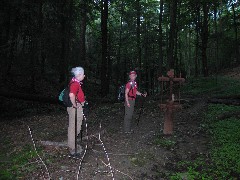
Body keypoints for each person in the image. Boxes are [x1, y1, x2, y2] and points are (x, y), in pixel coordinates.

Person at [67, 67, 85, 155]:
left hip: (76, 107)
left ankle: (72, 144)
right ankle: (72, 148)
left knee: (75, 126)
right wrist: (75, 105)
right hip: (75, 108)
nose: (84, 76)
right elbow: (71, 95)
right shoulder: (75, 84)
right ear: (78, 75)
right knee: (74, 126)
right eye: (83, 74)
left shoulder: (75, 82)